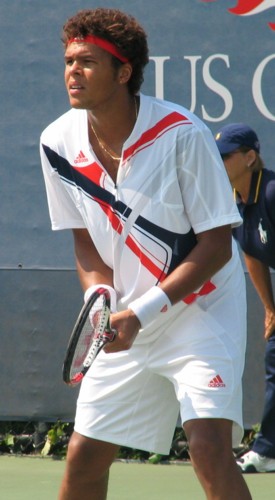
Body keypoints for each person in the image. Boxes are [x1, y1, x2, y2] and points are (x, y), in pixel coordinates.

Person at [40, 8, 252, 499]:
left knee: (207, 447)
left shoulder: (183, 134)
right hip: (126, 318)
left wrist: (144, 312)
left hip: (201, 309)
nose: (73, 71)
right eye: (69, 61)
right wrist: (100, 300)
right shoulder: (56, 142)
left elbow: (217, 245)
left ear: (124, 72)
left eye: (88, 62)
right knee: (84, 457)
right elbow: (84, 240)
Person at [215, 122, 275, 473]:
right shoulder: (236, 203)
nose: (217, 162)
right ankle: (268, 451)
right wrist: (270, 307)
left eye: (225, 157)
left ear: (250, 157)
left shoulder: (270, 193)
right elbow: (253, 255)